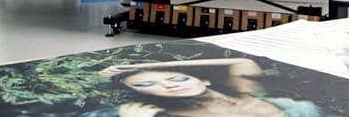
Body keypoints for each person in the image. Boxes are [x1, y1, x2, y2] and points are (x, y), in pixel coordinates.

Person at [98, 58, 325, 116]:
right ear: (143, 94)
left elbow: (242, 63)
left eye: (177, 78)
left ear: (203, 80)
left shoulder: (249, 93)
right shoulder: (165, 114)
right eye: (147, 84)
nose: (168, 85)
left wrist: (149, 65)